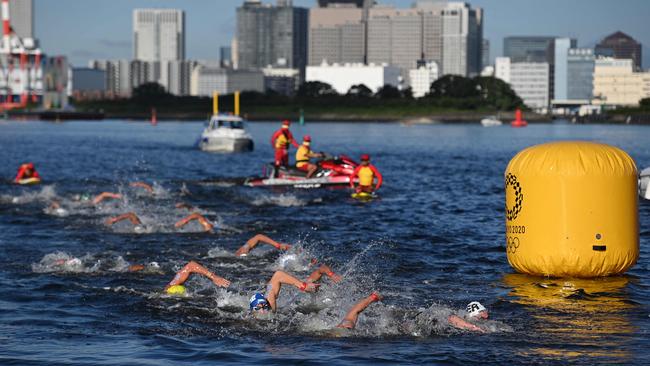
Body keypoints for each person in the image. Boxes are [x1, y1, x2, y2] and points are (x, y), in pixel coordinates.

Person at [249, 263, 342, 313]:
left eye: (263, 307)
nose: (262, 311)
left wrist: (331, 275)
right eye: (258, 308)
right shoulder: (268, 304)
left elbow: (322, 268)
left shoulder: (311, 282)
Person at [164, 261, 231, 294]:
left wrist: (213, 277)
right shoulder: (171, 286)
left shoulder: (171, 285)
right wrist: (214, 277)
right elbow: (191, 265)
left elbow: (191, 265)